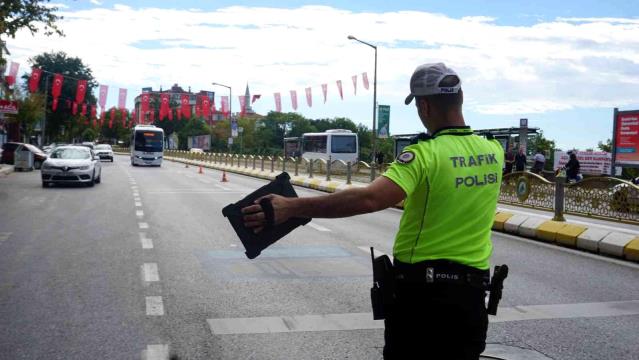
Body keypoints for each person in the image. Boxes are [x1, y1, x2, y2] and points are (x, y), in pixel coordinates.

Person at [241, 63, 503, 359]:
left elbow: (369, 199)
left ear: (424, 106)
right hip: (471, 301)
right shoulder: (493, 152)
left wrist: (293, 207)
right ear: (460, 98)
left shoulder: (423, 154)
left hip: (423, 303)